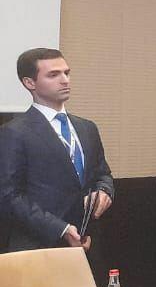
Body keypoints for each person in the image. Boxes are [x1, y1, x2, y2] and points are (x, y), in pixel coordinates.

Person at [0, 48, 114, 251]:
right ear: (29, 83)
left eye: (66, 73)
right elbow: (9, 195)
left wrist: (104, 191)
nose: (65, 80)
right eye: (53, 75)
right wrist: (60, 229)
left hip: (87, 240)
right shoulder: (14, 132)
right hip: (39, 245)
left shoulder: (87, 128)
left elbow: (102, 174)